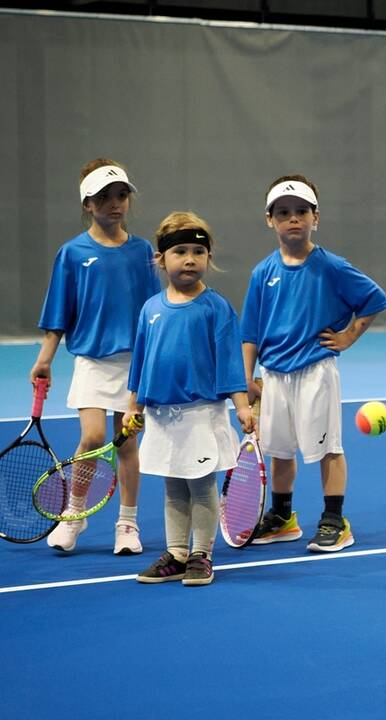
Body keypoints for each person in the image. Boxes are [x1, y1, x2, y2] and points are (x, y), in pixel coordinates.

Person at [241, 175, 386, 552]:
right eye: (284, 212)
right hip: (273, 376)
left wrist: (347, 337)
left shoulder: (332, 266)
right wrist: (246, 376)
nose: (293, 219)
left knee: (328, 449)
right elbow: (251, 332)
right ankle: (282, 517)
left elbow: (374, 299)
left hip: (315, 372)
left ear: (315, 218)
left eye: (301, 212)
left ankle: (334, 520)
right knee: (278, 451)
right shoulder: (263, 273)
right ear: (269, 220)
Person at [32, 159, 160, 554]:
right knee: (91, 437)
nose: (114, 204)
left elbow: (153, 310)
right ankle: (75, 514)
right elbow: (58, 313)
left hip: (134, 363)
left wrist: (157, 358)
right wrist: (45, 359)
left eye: (121, 195)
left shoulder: (141, 252)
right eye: (103, 198)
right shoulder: (72, 254)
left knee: (126, 445)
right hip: (91, 361)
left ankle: (127, 524)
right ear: (88, 205)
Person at [128, 211, 254, 586]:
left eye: (198, 252)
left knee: (200, 484)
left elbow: (231, 363)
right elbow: (140, 361)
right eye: (180, 251)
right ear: (161, 258)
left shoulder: (216, 308)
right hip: (161, 416)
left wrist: (243, 405)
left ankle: (202, 555)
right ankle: (178, 553)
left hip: (201, 411)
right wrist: (133, 406)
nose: (189, 259)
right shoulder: (150, 310)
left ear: (208, 258)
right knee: (173, 485)